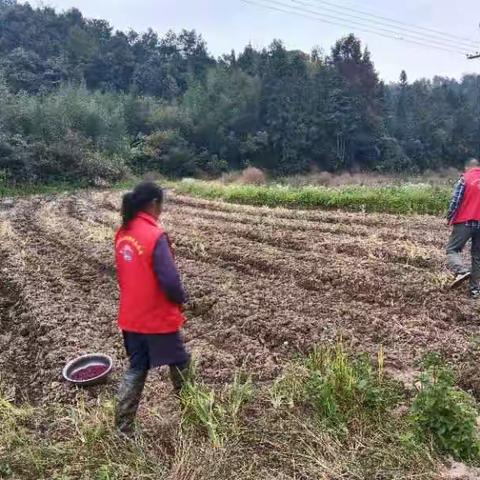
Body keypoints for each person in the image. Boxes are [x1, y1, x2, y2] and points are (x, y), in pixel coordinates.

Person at [114, 182, 190, 435]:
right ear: (154, 203)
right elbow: (169, 280)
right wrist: (180, 298)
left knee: (137, 367)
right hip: (155, 317)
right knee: (180, 361)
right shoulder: (154, 235)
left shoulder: (123, 232)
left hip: (130, 315)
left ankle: (122, 430)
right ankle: (194, 415)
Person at [446, 158, 480, 297]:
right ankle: (474, 290)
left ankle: (461, 270)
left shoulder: (464, 179)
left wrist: (449, 218)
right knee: (477, 257)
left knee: (452, 249)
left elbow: (455, 201)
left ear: (467, 167)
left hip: (465, 221)